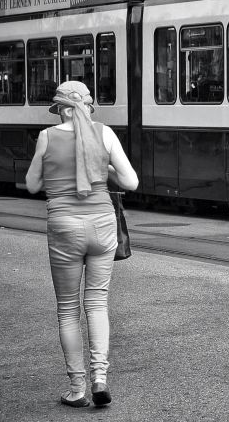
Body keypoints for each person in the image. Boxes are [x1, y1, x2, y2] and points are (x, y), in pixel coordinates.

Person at [25, 81, 138, 407]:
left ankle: (77, 389)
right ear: (88, 107)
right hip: (102, 226)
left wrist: (55, 171)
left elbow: (32, 185)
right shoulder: (104, 134)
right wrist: (104, 170)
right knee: (97, 304)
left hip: (64, 228)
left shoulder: (47, 137)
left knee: (68, 311)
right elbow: (131, 181)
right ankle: (100, 377)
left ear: (60, 108)